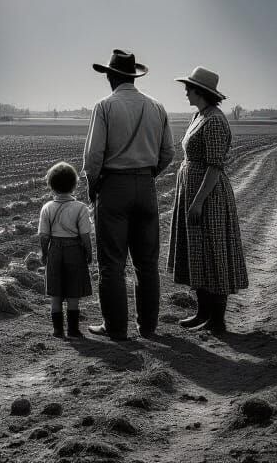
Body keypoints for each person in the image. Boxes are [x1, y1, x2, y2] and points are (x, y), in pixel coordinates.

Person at [82, 49, 175, 340]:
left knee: (112, 262)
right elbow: (169, 152)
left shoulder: (105, 106)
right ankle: (147, 327)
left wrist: (93, 186)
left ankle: (116, 328)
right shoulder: (157, 107)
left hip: (113, 188)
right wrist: (148, 175)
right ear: (133, 76)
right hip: (146, 187)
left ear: (111, 76)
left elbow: (94, 156)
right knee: (147, 263)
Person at [167, 66, 248, 335]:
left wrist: (199, 201)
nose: (185, 92)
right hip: (193, 189)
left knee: (214, 250)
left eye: (188, 88)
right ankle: (202, 312)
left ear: (200, 91)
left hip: (209, 195)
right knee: (197, 250)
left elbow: (214, 166)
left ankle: (217, 319)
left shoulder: (213, 120)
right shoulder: (199, 116)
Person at [38, 162, 94, 339]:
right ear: (75, 185)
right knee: (73, 291)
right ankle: (73, 329)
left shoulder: (47, 208)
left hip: (54, 249)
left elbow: (43, 235)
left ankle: (57, 330)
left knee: (55, 292)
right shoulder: (80, 208)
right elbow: (85, 234)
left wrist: (44, 253)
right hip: (74, 250)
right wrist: (89, 251)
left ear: (51, 186)